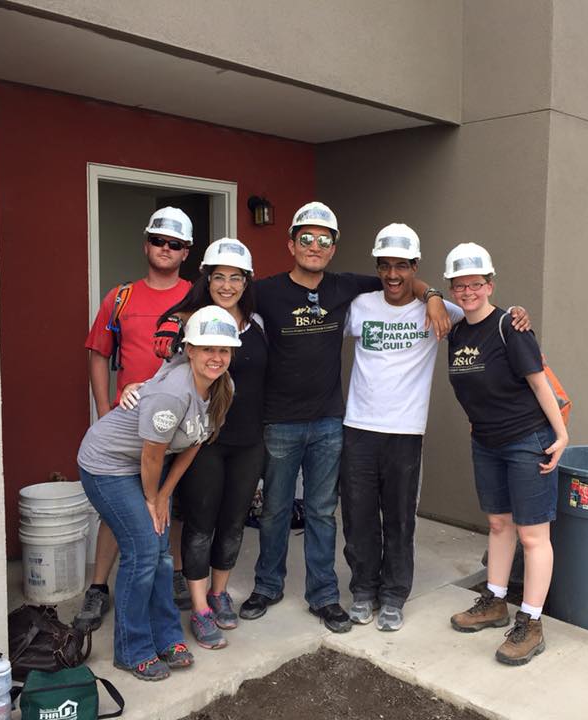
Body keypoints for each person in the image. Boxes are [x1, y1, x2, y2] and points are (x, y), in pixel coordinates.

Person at [238, 202, 452, 633]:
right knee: (276, 510)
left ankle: (324, 595)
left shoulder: (345, 289)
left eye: (323, 240)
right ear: (291, 243)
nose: (314, 247)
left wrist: (430, 295)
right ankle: (267, 586)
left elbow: (402, 281)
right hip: (281, 421)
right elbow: (221, 300)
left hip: (331, 422)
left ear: (334, 248)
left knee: (322, 511)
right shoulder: (266, 291)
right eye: (306, 239)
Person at [340, 224, 530, 632]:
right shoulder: (360, 307)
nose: (393, 275)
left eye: (402, 266)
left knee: (400, 517)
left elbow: (484, 312)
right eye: (385, 266)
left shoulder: (443, 309)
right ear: (377, 267)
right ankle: (362, 589)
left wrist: (518, 314)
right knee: (358, 517)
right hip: (358, 426)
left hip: (406, 431)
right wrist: (430, 293)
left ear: (415, 266)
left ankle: (393, 595)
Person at [76, 305, 239, 680]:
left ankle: (166, 636)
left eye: (224, 350)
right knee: (143, 550)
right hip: (107, 464)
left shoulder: (222, 387)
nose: (217, 357)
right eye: (208, 349)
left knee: (163, 555)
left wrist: (164, 494)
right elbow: (151, 455)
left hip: (149, 467)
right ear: (191, 350)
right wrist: (153, 499)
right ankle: (132, 649)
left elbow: (195, 442)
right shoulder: (173, 393)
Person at [129, 238, 266, 651]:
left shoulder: (256, 324)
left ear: (246, 281)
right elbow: (163, 373)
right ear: (206, 278)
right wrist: (136, 386)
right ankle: (201, 606)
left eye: (235, 277)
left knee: (233, 522)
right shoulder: (184, 321)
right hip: (202, 441)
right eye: (218, 276)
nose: (226, 285)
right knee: (201, 524)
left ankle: (221, 593)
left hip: (249, 441)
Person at [443, 243, 568, 667]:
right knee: (498, 524)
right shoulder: (458, 331)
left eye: (475, 284)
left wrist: (561, 432)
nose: (467, 292)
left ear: (489, 285)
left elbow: (538, 383)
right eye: (459, 286)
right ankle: (495, 601)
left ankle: (530, 622)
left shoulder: (510, 327)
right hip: (487, 441)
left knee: (534, 536)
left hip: (527, 439)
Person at [76, 206, 195, 632]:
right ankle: (97, 588)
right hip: (128, 426)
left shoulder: (195, 298)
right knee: (118, 511)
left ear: (186, 252)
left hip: (176, 425)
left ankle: (175, 574)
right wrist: (103, 411)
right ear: (147, 245)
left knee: (172, 503)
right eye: (159, 241)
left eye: (175, 244)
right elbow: (98, 354)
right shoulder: (120, 297)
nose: (166, 249)